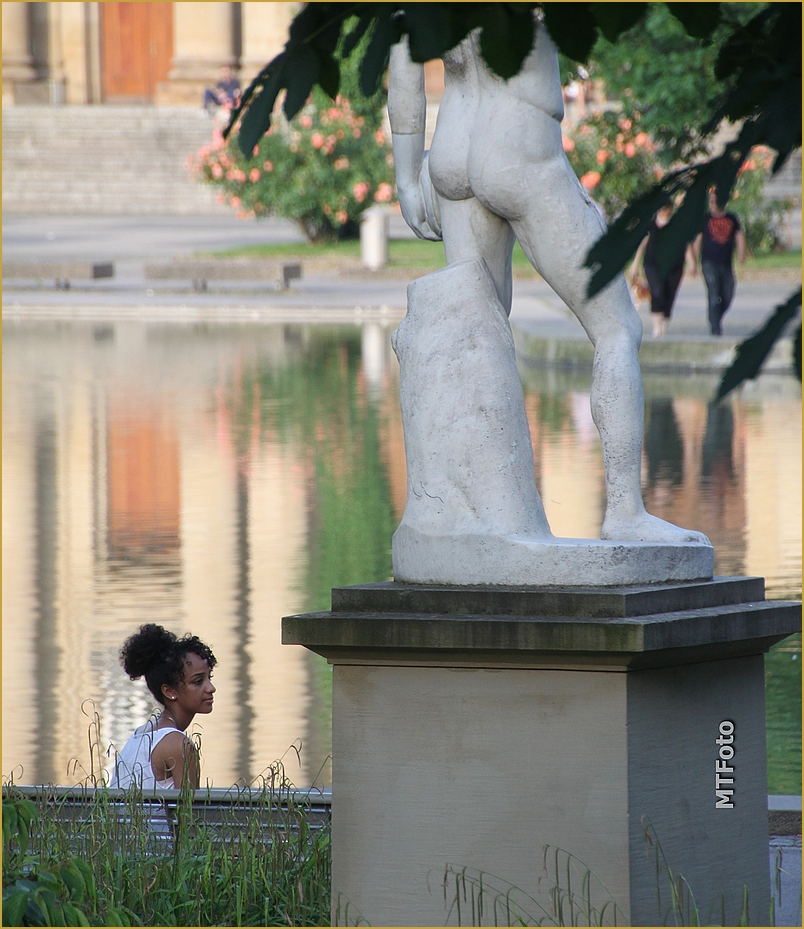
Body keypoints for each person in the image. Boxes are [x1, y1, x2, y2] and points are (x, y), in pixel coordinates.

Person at [388, 21, 708, 545]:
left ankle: (484, 516)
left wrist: (405, 174)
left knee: (479, 338)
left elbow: (404, 58)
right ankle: (625, 512)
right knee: (616, 328)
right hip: (517, 140)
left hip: (451, 146)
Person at [108, 624, 216, 791]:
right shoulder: (179, 745)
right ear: (169, 691)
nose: (211, 688)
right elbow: (189, 815)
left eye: (209, 677)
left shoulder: (139, 734)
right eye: (198, 681)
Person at [629, 204, 696, 338]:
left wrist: (692, 263)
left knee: (669, 296)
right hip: (652, 265)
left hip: (674, 267)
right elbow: (642, 245)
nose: (663, 210)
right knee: (657, 292)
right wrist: (635, 264)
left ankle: (664, 331)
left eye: (666, 208)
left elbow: (685, 244)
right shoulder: (651, 225)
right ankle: (657, 329)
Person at [693, 189, 746, 336]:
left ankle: (715, 316)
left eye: (715, 200)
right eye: (710, 200)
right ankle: (715, 326)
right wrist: (693, 262)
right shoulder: (705, 219)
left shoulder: (732, 218)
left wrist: (741, 255)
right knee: (714, 290)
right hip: (709, 262)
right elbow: (697, 241)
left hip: (726, 263)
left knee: (728, 294)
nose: (712, 202)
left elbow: (739, 236)